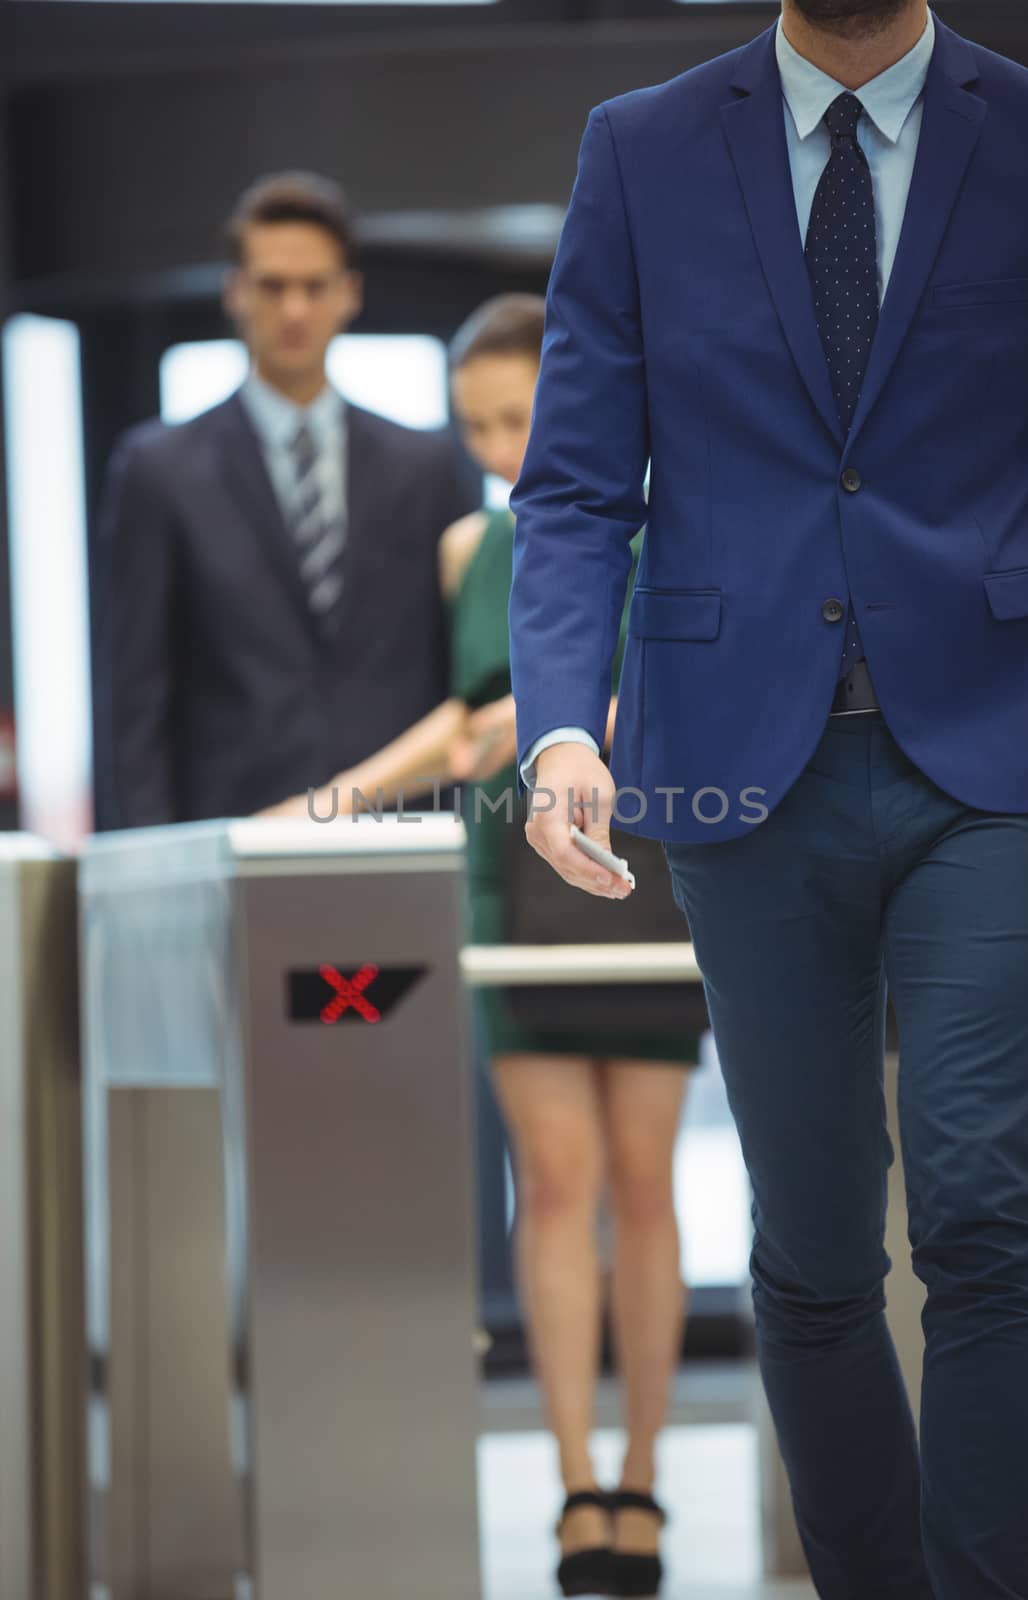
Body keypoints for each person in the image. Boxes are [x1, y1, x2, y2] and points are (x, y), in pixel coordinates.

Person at [509, 3, 1028, 1597]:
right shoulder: (640, 146)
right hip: (734, 761)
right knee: (812, 1254)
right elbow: (569, 484)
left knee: (980, 1208)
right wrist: (559, 728)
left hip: (1006, 750)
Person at [271, 295, 702, 1598]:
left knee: (641, 1180)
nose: (503, 449)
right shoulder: (472, 546)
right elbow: (467, 732)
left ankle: (643, 1477)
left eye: (521, 419)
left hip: (649, 874)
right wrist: (325, 803)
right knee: (554, 1179)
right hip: (503, 881)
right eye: (478, 427)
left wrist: (581, 715)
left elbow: (624, 702)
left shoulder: (669, 535)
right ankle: (575, 1485)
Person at [91, 171, 475, 826]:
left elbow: (463, 675)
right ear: (234, 293)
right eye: (272, 286)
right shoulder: (159, 471)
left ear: (348, 293)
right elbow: (135, 700)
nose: (294, 308)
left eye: (314, 286)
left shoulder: (428, 465)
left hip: (408, 826)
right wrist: (153, 878)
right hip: (234, 830)